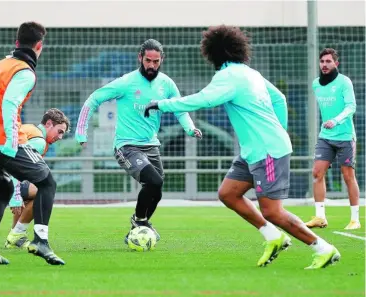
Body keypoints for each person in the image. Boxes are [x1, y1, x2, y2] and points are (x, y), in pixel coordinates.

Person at [144, 25, 340, 269]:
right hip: (253, 151)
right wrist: (278, 130)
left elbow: (203, 100)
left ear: (213, 53)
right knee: (228, 193)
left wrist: (161, 104)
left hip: (267, 151)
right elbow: (280, 98)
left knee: (272, 211)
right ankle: (273, 236)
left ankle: (323, 249)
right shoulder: (249, 73)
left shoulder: (228, 77)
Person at [75, 39, 202, 243]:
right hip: (127, 146)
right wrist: (81, 132)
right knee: (154, 181)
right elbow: (93, 99)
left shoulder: (166, 83)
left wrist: (189, 127)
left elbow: (179, 108)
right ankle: (140, 222)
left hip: (151, 145)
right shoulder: (126, 82)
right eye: (148, 60)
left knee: (156, 192)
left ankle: (138, 224)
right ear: (140, 58)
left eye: (156, 61)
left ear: (162, 60)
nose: (151, 65)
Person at [0, 22, 64, 265]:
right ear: (39, 46)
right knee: (47, 182)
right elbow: (10, 103)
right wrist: (11, 140)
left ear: (16, 42)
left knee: (3, 191)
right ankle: (40, 241)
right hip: (4, 142)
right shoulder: (24, 72)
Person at [0, 108, 70, 249]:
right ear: (49, 124)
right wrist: (15, 196)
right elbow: (12, 165)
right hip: (1, 183)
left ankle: (14, 237)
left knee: (32, 191)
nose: (60, 137)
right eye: (60, 131)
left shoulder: (28, 129)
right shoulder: (38, 142)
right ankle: (17, 233)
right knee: (43, 190)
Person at [305, 48, 360, 230]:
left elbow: (351, 106)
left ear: (336, 64)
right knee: (317, 173)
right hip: (325, 137)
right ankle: (320, 217)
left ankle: (354, 219)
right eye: (322, 61)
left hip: (345, 136)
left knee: (348, 176)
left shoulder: (344, 82)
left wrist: (336, 120)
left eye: (328, 61)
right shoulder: (316, 84)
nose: (324, 65)